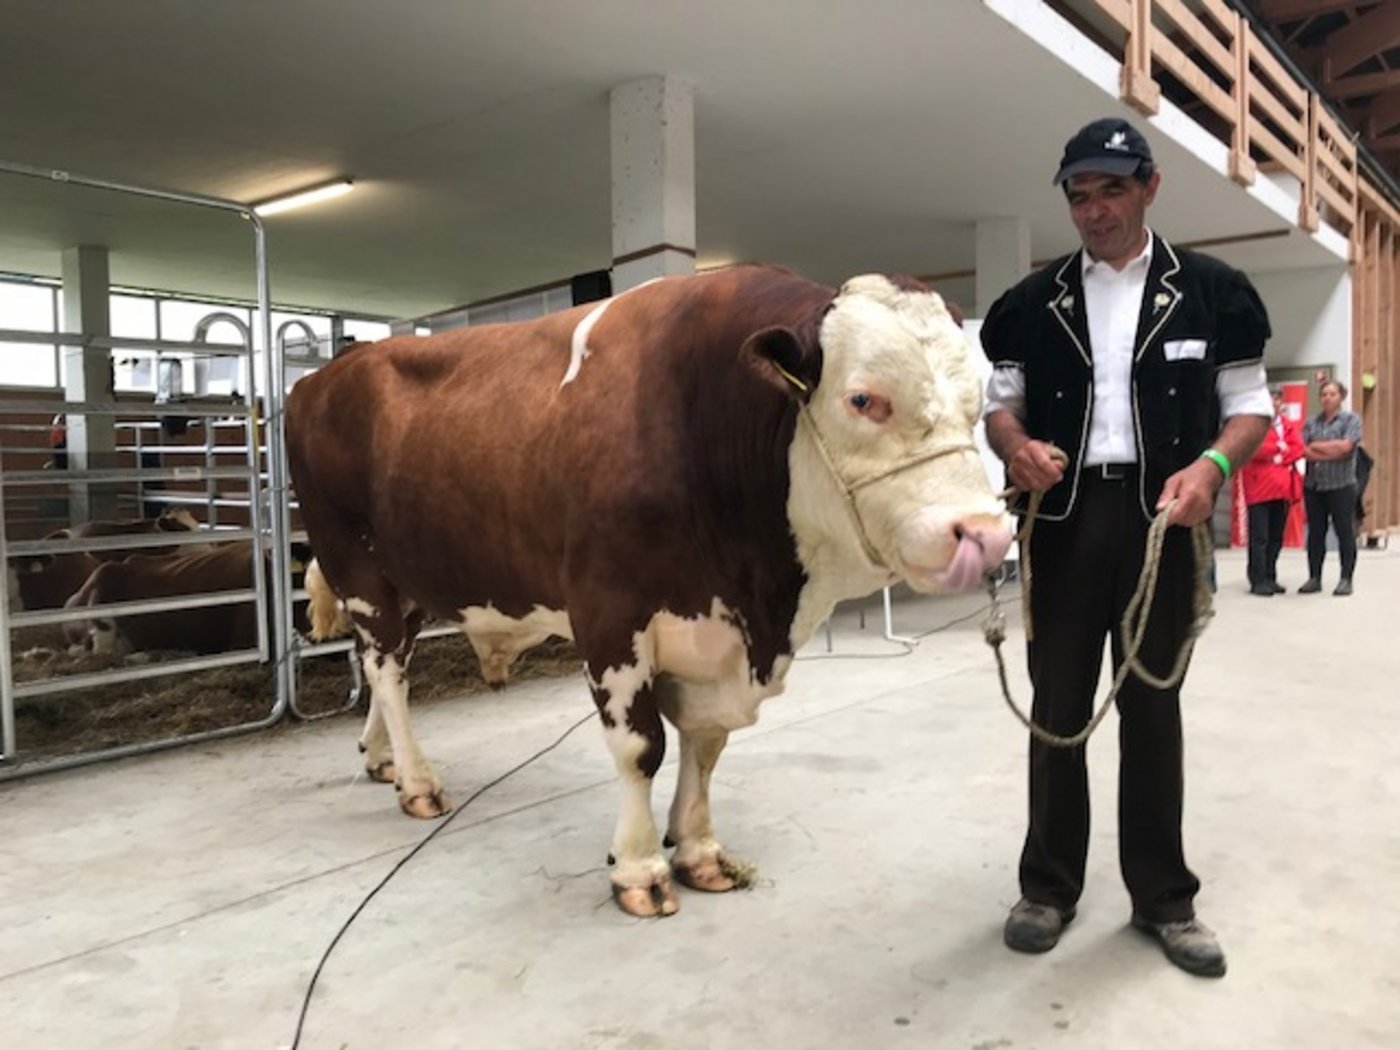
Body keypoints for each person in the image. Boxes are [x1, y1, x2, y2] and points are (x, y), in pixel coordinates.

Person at [980, 116, 1272, 978]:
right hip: (1064, 524)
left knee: (1151, 708)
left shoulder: (1213, 292)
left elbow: (1248, 408)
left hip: (1163, 523)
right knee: (1057, 711)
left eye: (1111, 190)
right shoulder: (1032, 306)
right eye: (1079, 195)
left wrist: (1214, 467)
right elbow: (1001, 407)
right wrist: (1015, 447)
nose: (1095, 210)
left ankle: (1163, 900)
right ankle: (1048, 887)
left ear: (1149, 187)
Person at [1299, 379, 1362, 595]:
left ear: (1341, 396)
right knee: (1315, 534)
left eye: (1332, 394)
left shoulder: (1351, 420)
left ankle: (1346, 579)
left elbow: (1346, 447)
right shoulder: (1311, 423)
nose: (1327, 398)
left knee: (1344, 532)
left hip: (1341, 486)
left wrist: (1317, 447)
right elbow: (1303, 451)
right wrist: (1330, 451)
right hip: (1314, 486)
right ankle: (1314, 578)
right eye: (1324, 394)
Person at [1240, 386, 1304, 595]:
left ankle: (1270, 575)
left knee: (1276, 536)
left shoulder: (1285, 424)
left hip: (1282, 489)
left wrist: (1280, 454)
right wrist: (1279, 448)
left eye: (1278, 400)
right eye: (1271, 399)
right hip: (1259, 489)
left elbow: (1297, 448)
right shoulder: (1254, 425)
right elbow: (1254, 449)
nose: (1275, 404)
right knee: (1259, 537)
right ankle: (1257, 580)